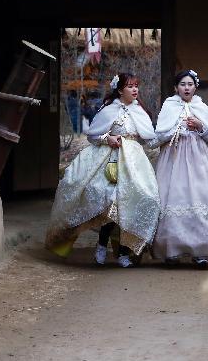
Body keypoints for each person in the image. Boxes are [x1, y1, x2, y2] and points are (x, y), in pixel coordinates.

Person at [45, 73, 160, 267]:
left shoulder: (139, 110)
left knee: (132, 201)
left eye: (136, 86)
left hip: (134, 162)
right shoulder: (109, 109)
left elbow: (151, 139)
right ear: (120, 90)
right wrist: (108, 138)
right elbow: (92, 136)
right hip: (108, 159)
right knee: (108, 200)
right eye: (130, 86)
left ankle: (124, 253)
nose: (135, 90)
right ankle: (101, 245)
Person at [150, 70, 208, 268]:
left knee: (200, 197)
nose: (186, 88)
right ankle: (172, 251)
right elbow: (159, 134)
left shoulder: (201, 106)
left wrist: (199, 125)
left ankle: (200, 251)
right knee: (174, 197)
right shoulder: (169, 105)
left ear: (195, 87)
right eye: (183, 84)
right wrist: (177, 128)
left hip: (198, 157)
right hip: (174, 156)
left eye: (190, 84)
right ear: (176, 88)